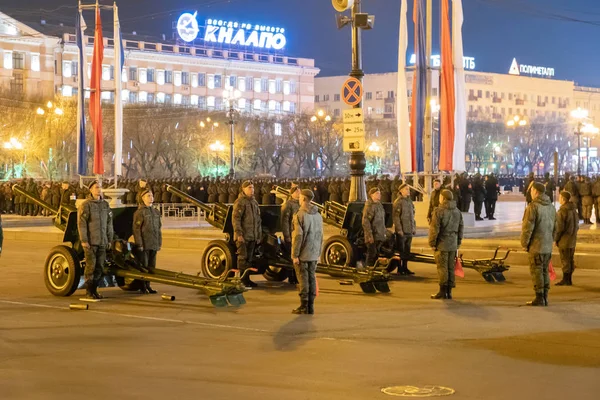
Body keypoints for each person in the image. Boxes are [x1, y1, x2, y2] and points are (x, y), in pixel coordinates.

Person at [521, 182, 556, 306]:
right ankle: (545, 296)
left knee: (537, 271)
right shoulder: (551, 207)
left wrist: (524, 243)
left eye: (531, 190)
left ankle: (539, 297)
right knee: (545, 271)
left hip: (536, 245)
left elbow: (527, 228)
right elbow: (555, 227)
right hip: (547, 245)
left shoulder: (533, 207)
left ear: (535, 191)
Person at [77, 181, 114, 300]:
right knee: (90, 267)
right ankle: (89, 291)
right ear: (91, 190)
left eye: (100, 187)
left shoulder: (105, 205)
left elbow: (109, 223)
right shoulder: (86, 205)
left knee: (100, 267)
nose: (99, 189)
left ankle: (95, 290)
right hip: (91, 242)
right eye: (96, 187)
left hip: (102, 241)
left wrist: (109, 239)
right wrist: (84, 240)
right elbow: (82, 224)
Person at [291, 189, 324, 314]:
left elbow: (298, 236)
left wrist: (295, 254)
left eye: (300, 198)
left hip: (303, 253)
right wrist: (318, 252)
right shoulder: (318, 215)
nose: (299, 199)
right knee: (311, 278)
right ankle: (311, 305)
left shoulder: (300, 215)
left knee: (303, 279)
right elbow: (321, 235)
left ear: (304, 199)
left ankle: (303, 305)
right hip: (314, 253)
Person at [428, 190, 464, 300]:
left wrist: (432, 243)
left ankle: (442, 291)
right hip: (453, 243)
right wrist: (458, 242)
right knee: (450, 267)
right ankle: (449, 292)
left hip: (442, 243)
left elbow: (434, 229)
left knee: (442, 267)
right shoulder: (457, 211)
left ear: (443, 198)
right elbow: (461, 228)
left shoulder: (439, 211)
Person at [232, 181, 262, 288]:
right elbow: (236, 219)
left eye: (253, 187)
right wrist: (239, 234)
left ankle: (247, 279)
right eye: (249, 187)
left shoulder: (254, 203)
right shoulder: (240, 202)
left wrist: (258, 236)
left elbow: (258, 221)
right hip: (243, 236)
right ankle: (242, 281)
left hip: (252, 236)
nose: (252, 190)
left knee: (249, 259)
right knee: (242, 259)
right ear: (243, 189)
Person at [133, 188, 162, 294]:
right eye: (148, 196)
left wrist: (159, 242)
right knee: (144, 266)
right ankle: (143, 286)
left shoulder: (156, 212)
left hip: (153, 243)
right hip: (144, 244)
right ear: (142, 198)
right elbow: (136, 229)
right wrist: (139, 243)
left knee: (151, 267)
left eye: (152, 196)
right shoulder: (140, 213)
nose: (151, 198)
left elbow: (158, 228)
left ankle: (148, 285)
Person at [554, 191, 578, 286]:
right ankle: (569, 279)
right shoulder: (573, 210)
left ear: (563, 199)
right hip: (572, 239)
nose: (558, 199)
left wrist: (556, 239)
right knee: (570, 259)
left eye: (560, 197)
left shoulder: (562, 211)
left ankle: (566, 279)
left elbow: (559, 228)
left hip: (564, 240)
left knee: (565, 259)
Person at [393, 183, 416, 275]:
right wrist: (399, 230)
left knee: (407, 250)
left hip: (409, 230)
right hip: (402, 230)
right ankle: (399, 268)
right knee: (400, 250)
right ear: (401, 191)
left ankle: (405, 267)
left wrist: (413, 228)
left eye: (408, 189)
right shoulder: (398, 202)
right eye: (406, 189)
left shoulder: (409, 201)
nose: (408, 190)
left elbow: (412, 216)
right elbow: (396, 217)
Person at [362, 187, 387, 267]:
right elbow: (366, 221)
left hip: (379, 234)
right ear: (371, 195)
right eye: (377, 193)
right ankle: (368, 270)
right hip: (373, 235)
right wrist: (370, 235)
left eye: (379, 193)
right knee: (371, 254)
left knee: (376, 255)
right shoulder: (369, 206)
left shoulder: (379, 205)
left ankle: (374, 271)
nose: (379, 195)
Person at [281, 186, 301, 284]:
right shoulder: (288, 205)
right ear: (292, 193)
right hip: (292, 235)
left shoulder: (301, 204)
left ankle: (297, 276)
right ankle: (292, 277)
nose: (298, 192)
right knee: (291, 257)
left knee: (299, 257)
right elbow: (285, 221)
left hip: (299, 235)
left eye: (299, 191)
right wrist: (287, 236)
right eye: (296, 191)